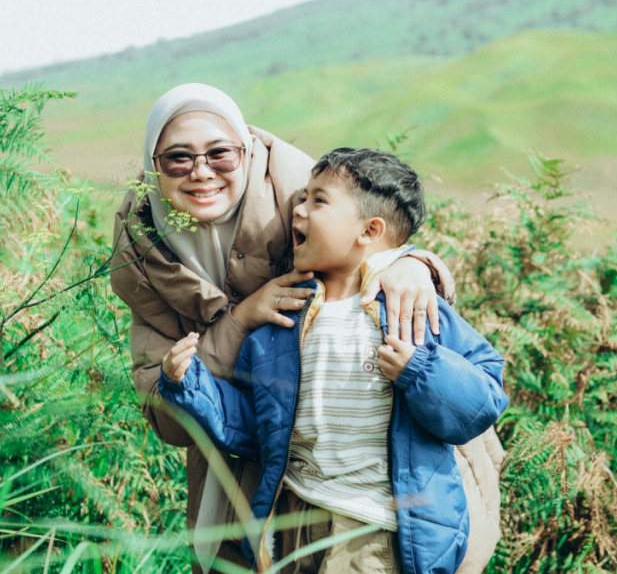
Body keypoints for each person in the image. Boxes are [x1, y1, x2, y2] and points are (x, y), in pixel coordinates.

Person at [110, 85, 502, 574]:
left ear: (246, 152)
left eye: (220, 153)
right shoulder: (144, 260)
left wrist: (411, 264)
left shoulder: (296, 194)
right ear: (152, 165)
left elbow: (376, 224)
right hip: (289, 510)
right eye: (176, 158)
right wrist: (193, 376)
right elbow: (249, 420)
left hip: (392, 511)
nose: (201, 170)